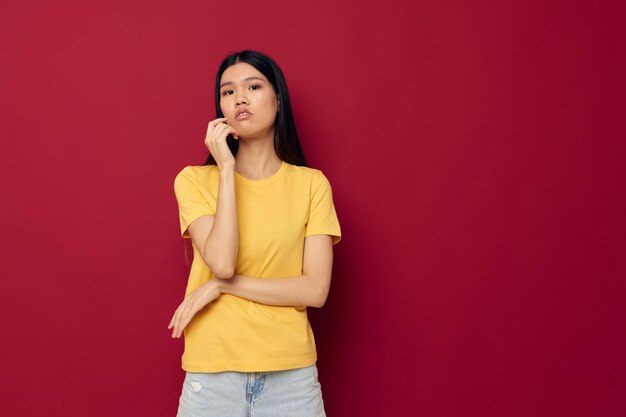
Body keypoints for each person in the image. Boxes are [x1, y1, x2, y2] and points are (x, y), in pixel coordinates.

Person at [168, 50, 341, 417]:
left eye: (253, 86)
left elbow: (315, 290)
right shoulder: (194, 181)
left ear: (278, 99)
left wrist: (220, 286)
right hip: (213, 375)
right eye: (227, 92)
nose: (240, 98)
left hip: (290, 375)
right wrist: (226, 169)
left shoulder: (312, 185)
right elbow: (222, 262)